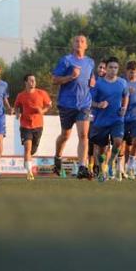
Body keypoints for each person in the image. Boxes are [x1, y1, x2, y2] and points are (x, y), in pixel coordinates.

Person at [52, 34, 95, 179]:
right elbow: (55, 80)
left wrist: (93, 81)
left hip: (84, 104)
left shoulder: (90, 62)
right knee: (65, 135)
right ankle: (58, 157)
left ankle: (82, 166)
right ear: (73, 44)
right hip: (66, 104)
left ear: (86, 45)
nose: (79, 43)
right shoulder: (66, 60)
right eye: (76, 41)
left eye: (82, 41)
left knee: (83, 135)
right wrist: (71, 77)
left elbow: (91, 77)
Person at [90, 57, 129, 182]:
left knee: (118, 141)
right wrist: (99, 105)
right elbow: (90, 101)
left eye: (115, 68)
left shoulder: (122, 82)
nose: (113, 70)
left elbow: (126, 95)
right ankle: (102, 170)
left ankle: (111, 161)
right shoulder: (99, 83)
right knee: (101, 150)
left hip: (117, 119)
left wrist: (124, 107)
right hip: (101, 121)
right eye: (111, 67)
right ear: (106, 69)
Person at [14, 74, 52, 181]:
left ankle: (27, 160)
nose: (33, 82)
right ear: (25, 82)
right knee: (27, 147)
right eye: (30, 80)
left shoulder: (42, 93)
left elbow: (49, 105)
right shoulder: (21, 95)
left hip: (38, 125)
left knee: (32, 150)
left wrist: (42, 111)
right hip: (25, 125)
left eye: (34, 80)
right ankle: (29, 172)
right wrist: (17, 113)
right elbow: (16, 106)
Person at [87, 59, 107, 177]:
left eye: (104, 68)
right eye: (100, 67)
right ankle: (92, 168)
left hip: (108, 118)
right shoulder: (93, 83)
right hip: (94, 117)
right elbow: (89, 100)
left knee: (104, 147)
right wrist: (97, 105)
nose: (101, 70)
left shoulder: (112, 84)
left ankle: (103, 167)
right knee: (92, 144)